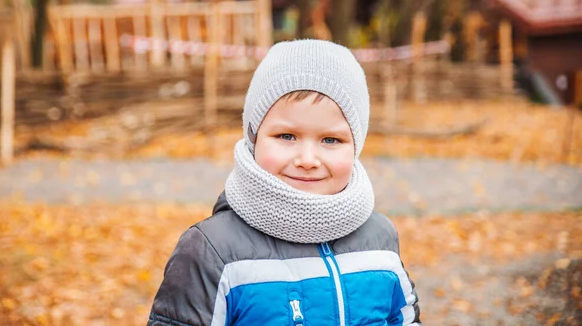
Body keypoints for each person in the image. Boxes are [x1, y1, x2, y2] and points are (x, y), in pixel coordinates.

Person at [147, 39, 421, 326]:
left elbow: (404, 319)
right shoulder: (211, 250)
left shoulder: (379, 239)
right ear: (254, 137)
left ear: (356, 147)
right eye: (286, 136)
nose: (307, 159)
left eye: (331, 140)